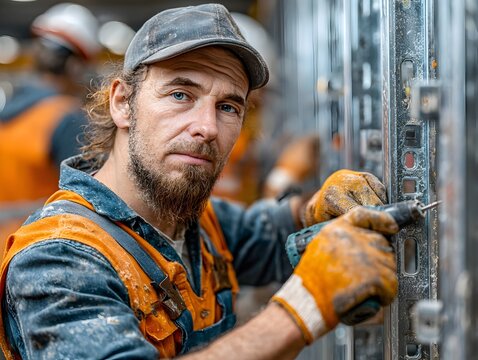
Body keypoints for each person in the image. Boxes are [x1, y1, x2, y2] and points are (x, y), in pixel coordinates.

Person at [0, 4, 398, 359]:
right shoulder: (58, 261)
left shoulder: (191, 221)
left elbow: (264, 236)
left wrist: (314, 208)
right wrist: (303, 310)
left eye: (227, 106)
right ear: (122, 103)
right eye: (180, 95)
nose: (207, 128)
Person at [0, 3, 101, 255]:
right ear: (75, 66)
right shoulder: (67, 119)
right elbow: (92, 201)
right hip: (40, 251)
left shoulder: (7, 113)